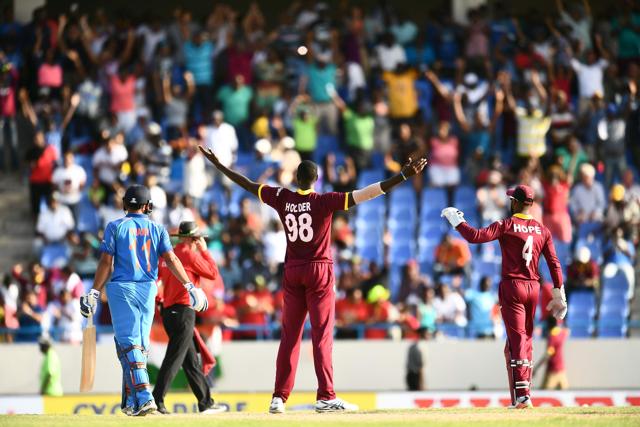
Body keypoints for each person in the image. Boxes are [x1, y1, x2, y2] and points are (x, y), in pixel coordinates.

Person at [198, 145, 427, 413]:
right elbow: (366, 193)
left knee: (290, 337)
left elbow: (248, 184)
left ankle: (279, 398)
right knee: (321, 335)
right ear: (316, 179)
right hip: (319, 270)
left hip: (293, 269)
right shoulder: (324, 201)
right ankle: (326, 396)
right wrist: (401, 176)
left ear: (296, 179)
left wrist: (219, 166)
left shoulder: (282, 197)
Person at [79, 185, 208, 417]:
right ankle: (131, 401)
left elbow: (106, 263)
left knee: (129, 344)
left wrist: (95, 292)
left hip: (122, 289)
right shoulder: (157, 229)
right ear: (148, 206)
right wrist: (190, 286)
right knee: (135, 346)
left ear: (125, 204)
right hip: (147, 290)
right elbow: (170, 258)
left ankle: (145, 398)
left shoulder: (115, 226)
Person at [441, 184, 567, 409]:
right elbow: (554, 263)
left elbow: (476, 237)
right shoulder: (543, 230)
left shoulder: (507, 225)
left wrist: (457, 221)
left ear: (516, 203)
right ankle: (518, 396)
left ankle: (523, 395)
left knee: (517, 339)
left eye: (511, 200)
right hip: (533, 287)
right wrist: (559, 293)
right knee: (521, 341)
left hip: (512, 286)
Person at [153, 221, 225, 415]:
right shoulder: (189, 254)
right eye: (196, 239)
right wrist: (205, 251)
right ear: (193, 239)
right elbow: (212, 273)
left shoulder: (166, 254)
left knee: (190, 360)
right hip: (183, 311)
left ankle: (205, 402)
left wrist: (160, 300)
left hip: (169, 311)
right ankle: (156, 400)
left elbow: (156, 281)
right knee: (175, 358)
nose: (197, 242)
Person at [534, 316, 570, 390]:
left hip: (552, 371)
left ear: (549, 325)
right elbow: (567, 331)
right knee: (567, 395)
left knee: (544, 395)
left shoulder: (552, 338)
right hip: (561, 369)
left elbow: (548, 355)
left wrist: (537, 367)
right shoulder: (561, 333)